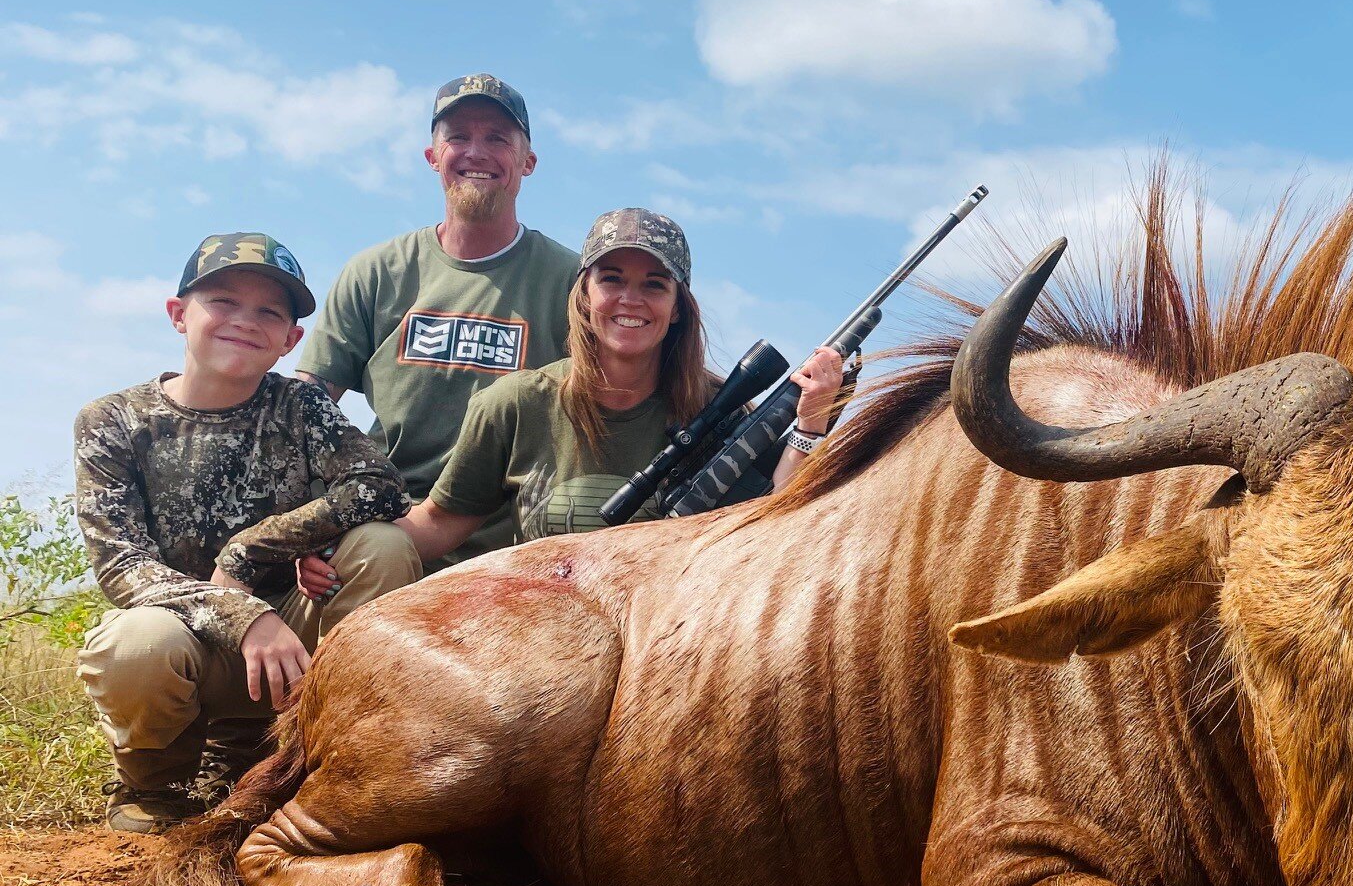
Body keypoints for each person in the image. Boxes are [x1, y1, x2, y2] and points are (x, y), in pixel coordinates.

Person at [73, 234, 422, 834]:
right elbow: (121, 565)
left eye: (269, 312)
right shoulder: (113, 421)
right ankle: (160, 782)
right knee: (134, 643)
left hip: (297, 645)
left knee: (384, 547)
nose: (244, 322)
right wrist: (241, 611)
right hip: (190, 644)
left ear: (291, 340)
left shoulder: (303, 407)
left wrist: (253, 548)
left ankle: (324, 756)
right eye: (224, 302)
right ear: (179, 316)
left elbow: (380, 488)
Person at [355, 209, 844, 563]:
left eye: (655, 284)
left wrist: (812, 421)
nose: (631, 299)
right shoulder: (514, 404)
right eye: (612, 279)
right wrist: (345, 548)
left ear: (678, 309)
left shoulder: (721, 409)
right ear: (584, 296)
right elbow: (436, 524)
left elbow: (778, 521)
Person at [294, 74, 577, 563]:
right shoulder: (376, 272)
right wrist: (303, 525)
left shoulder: (573, 280)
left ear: (527, 162)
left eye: (497, 139)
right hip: (383, 527)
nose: (476, 152)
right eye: (458, 137)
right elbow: (304, 408)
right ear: (432, 158)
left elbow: (637, 386)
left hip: (518, 542)